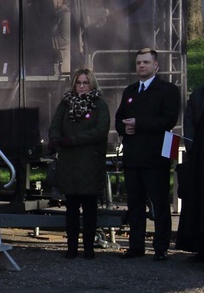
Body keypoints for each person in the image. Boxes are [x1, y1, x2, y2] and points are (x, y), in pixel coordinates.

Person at [114, 48, 180, 261]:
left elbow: (168, 120)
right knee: (134, 204)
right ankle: (136, 246)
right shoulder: (130, 91)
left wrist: (139, 124)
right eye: (138, 63)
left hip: (155, 156)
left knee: (159, 203)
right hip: (132, 156)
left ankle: (161, 248)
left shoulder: (167, 90)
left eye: (146, 62)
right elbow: (119, 119)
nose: (141, 66)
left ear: (156, 65)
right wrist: (125, 129)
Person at [48, 68, 110, 259]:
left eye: (85, 82)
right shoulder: (65, 104)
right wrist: (56, 140)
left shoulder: (99, 104)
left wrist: (73, 140)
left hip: (90, 161)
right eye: (78, 83)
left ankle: (89, 248)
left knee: (90, 208)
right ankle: (72, 247)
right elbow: (55, 126)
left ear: (91, 84)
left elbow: (100, 130)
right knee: (71, 208)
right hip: (69, 163)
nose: (82, 86)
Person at [176, 55, 204, 262]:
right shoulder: (199, 94)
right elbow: (189, 123)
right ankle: (203, 248)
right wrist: (194, 147)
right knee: (202, 203)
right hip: (203, 161)